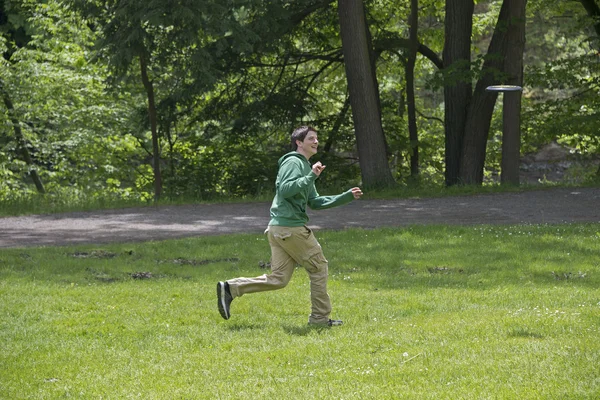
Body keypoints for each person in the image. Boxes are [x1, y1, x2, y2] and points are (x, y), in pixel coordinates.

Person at [217, 126, 363, 326]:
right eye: (311, 138)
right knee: (319, 267)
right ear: (299, 142)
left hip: (279, 229)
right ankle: (320, 319)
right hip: (290, 228)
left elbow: (315, 202)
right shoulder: (294, 162)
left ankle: (230, 288)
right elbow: (285, 190)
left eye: (317, 138)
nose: (316, 141)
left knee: (279, 279)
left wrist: (345, 196)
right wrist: (311, 176)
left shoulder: (306, 166)